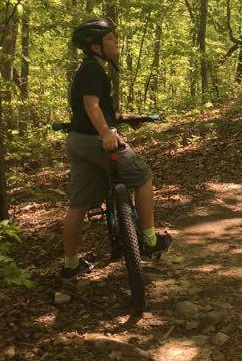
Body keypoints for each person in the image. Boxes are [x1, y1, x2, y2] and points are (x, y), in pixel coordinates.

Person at [62, 16, 171, 279]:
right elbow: (91, 107)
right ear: (96, 47)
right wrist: (107, 133)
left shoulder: (89, 68)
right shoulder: (92, 69)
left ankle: (71, 265)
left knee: (78, 204)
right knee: (143, 177)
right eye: (109, 39)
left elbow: (96, 108)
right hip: (95, 140)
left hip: (78, 141)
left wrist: (124, 118)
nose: (115, 42)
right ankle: (149, 240)